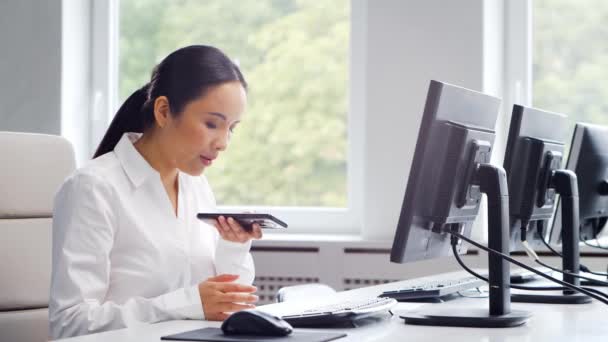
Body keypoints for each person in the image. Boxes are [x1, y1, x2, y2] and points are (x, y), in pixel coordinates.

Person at [49, 45, 262, 339]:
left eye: (232, 129)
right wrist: (185, 304)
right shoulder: (93, 187)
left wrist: (233, 246)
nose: (223, 143)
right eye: (212, 124)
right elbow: (69, 323)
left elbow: (223, 305)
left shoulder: (195, 184)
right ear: (163, 111)